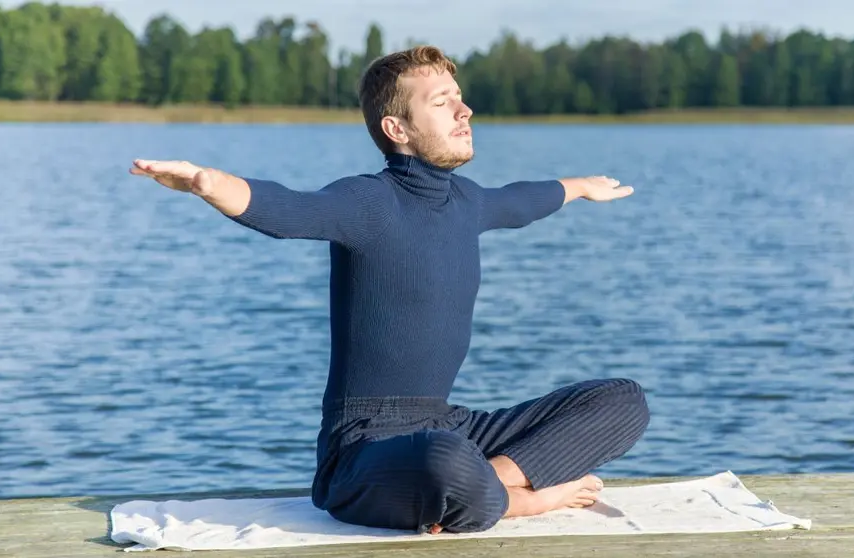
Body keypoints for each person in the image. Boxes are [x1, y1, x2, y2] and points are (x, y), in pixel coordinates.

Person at [129, 45, 650, 535]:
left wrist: (579, 187)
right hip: (362, 451)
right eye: (443, 102)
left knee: (624, 401)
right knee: (443, 460)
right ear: (396, 127)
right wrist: (205, 182)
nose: (464, 110)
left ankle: (482, 487)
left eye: (460, 97)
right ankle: (528, 499)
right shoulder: (370, 202)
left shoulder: (467, 202)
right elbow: (288, 209)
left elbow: (518, 201)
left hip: (447, 426)